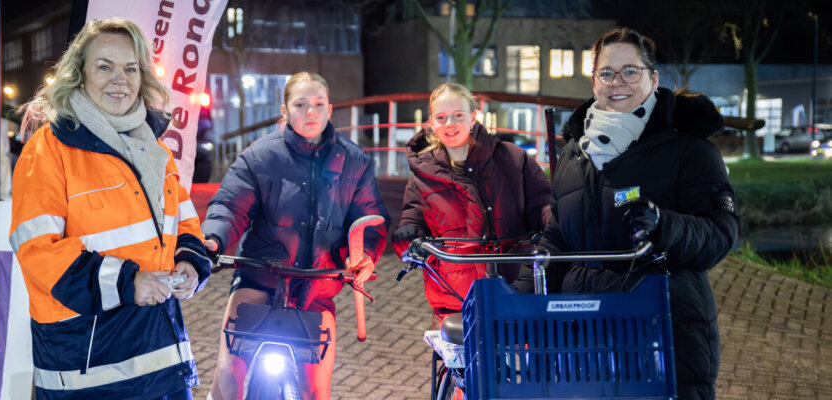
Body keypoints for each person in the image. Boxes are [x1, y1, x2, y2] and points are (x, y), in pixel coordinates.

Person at [511, 28, 739, 400]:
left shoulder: (690, 149)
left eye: (630, 71)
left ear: (653, 77)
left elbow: (720, 234)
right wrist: (518, 303)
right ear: (594, 79)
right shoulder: (573, 151)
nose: (617, 82)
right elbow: (558, 237)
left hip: (662, 326)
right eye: (607, 72)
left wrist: (665, 226)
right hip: (580, 332)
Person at [9, 17, 211, 400]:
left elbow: (183, 220)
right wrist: (127, 282)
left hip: (160, 356)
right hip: (88, 367)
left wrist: (190, 260)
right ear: (79, 74)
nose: (120, 78)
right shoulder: (47, 150)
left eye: (130, 68)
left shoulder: (154, 149)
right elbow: (39, 251)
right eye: (104, 66)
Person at [202, 72, 389, 400]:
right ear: (285, 110)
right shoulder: (259, 156)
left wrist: (364, 256)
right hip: (259, 278)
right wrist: (213, 240)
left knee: (317, 389)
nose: (310, 112)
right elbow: (230, 206)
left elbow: (369, 219)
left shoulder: (355, 161)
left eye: (318, 104)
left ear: (330, 110)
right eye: (300, 104)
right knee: (228, 374)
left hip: (318, 285)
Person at [391, 82, 551, 322]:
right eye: (442, 117)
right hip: (455, 294)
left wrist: (554, 223)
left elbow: (542, 205)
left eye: (458, 115)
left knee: (532, 351)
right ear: (432, 122)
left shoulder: (513, 159)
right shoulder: (421, 180)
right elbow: (412, 220)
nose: (450, 124)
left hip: (516, 284)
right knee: (466, 357)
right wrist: (407, 236)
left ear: (473, 117)